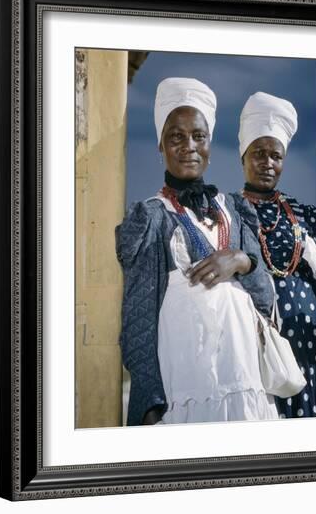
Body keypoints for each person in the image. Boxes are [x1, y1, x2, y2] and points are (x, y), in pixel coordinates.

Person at [116, 78, 278, 426]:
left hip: (243, 380)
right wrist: (150, 402)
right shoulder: (153, 217)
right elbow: (138, 319)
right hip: (184, 391)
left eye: (198, 136)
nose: (188, 146)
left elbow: (264, 298)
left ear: (209, 141)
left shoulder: (232, 210)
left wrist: (241, 260)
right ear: (160, 144)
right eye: (176, 136)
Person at [231, 91, 316, 419]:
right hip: (259, 359)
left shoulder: (307, 216)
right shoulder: (226, 213)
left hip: (312, 357)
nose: (268, 163)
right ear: (243, 155)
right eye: (259, 153)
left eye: (276, 155)